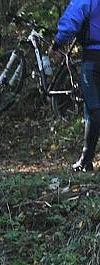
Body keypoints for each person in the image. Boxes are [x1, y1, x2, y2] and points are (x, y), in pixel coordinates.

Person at [54, 0, 100, 171]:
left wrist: (58, 41)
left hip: (93, 60)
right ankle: (85, 160)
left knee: (94, 108)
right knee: (91, 109)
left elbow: (71, 22)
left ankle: (85, 160)